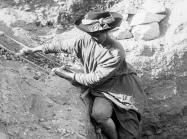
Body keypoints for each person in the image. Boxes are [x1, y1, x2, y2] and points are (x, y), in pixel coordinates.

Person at [18, 11, 147, 139]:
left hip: (123, 89)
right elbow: (61, 45)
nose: (93, 37)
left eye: (97, 34)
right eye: (90, 34)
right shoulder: (85, 39)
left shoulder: (116, 52)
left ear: (106, 32)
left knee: (130, 135)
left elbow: (94, 79)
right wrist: (34, 49)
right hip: (102, 89)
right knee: (99, 115)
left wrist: (67, 75)